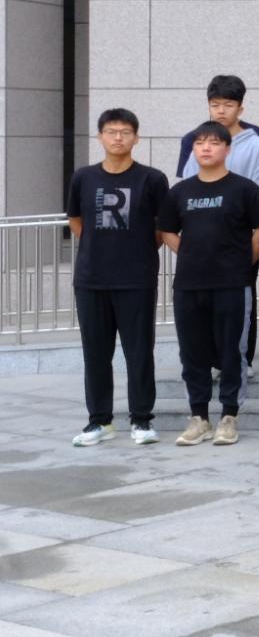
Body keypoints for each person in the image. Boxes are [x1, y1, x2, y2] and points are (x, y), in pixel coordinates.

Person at [67, 109, 171, 447]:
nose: (118, 138)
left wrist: (137, 248)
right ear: (99, 136)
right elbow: (76, 219)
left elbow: (162, 226)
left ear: (136, 138)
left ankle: (141, 419)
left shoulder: (152, 179)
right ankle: (99, 421)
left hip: (136, 278)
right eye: (111, 131)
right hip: (91, 279)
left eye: (125, 132)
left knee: (139, 352)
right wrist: (97, 246)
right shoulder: (83, 177)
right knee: (95, 353)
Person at [159, 121, 259, 447]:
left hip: (232, 283)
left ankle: (229, 416)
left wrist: (242, 260)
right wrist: (190, 252)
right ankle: (199, 418)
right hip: (188, 284)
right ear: (193, 149)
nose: (206, 148)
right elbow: (167, 230)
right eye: (200, 143)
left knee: (231, 351)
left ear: (227, 149)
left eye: (214, 142)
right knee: (192, 352)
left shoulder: (244, 189)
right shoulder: (180, 192)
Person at [181, 75, 259, 196]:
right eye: (215, 105)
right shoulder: (197, 143)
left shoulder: (257, 146)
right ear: (209, 108)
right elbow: (187, 190)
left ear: (240, 109)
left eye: (228, 105)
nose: (221, 111)